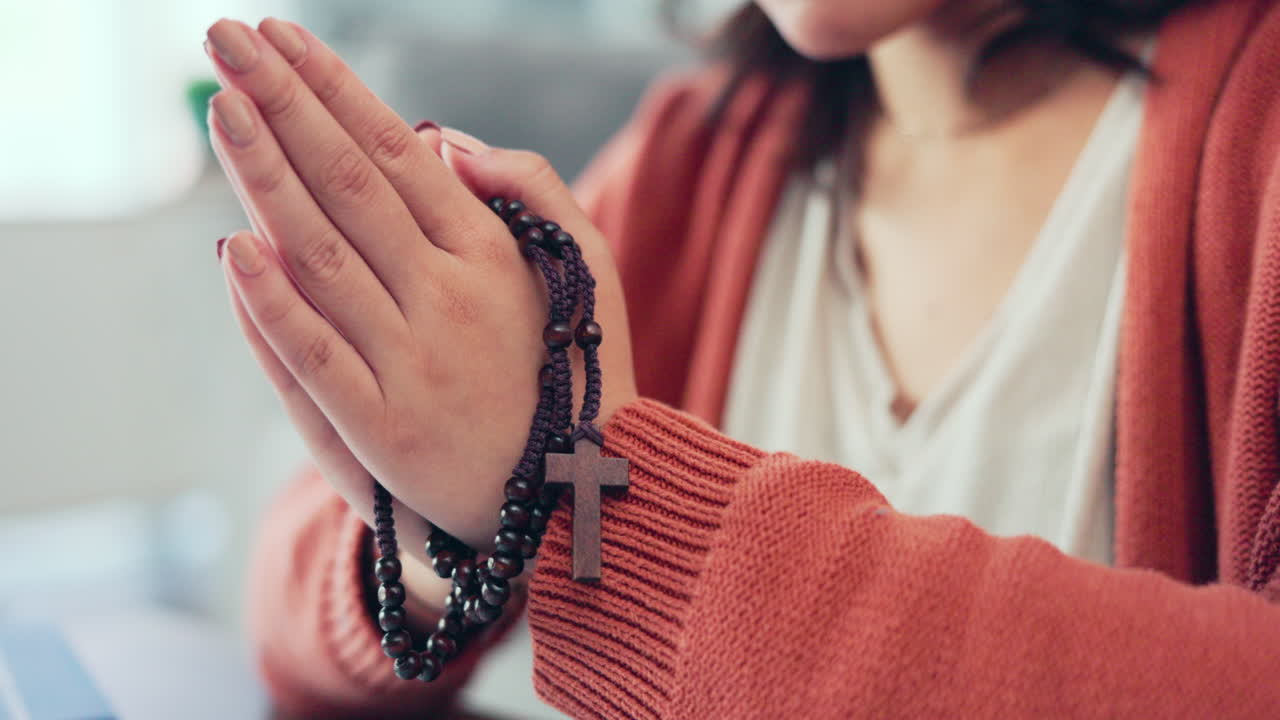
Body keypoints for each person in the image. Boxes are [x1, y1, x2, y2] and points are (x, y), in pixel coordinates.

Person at [205, 0, 1280, 717]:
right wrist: (469, 541)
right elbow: (287, 593)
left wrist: (606, 523)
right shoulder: (702, 156)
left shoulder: (1249, 144)